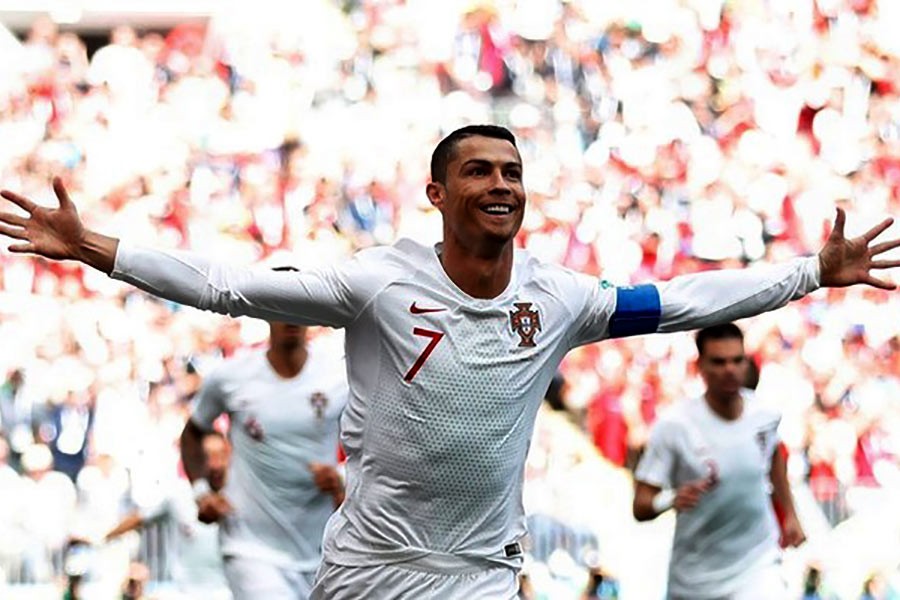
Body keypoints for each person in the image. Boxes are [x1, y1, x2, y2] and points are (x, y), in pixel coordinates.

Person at [1, 124, 898, 598]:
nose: (501, 184)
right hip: (369, 565)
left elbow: (681, 304)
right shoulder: (376, 285)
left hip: (478, 569)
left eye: (511, 171)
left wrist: (811, 273)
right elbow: (228, 284)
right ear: (437, 192)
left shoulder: (558, 298)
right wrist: (98, 249)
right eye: (478, 171)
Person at [180, 296, 348, 600]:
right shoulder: (230, 376)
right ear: (265, 313)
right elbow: (193, 432)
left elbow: (380, 442)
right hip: (250, 546)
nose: (292, 318)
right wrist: (201, 493)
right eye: (282, 307)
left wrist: (343, 476)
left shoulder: (339, 375)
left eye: (301, 308)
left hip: (321, 546)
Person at [632, 323, 806, 599]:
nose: (730, 370)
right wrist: (670, 499)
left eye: (737, 360)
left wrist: (791, 515)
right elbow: (641, 505)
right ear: (700, 365)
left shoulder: (765, 416)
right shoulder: (675, 425)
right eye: (719, 362)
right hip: (697, 579)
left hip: (758, 566)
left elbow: (773, 458)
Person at [98, 431, 231, 599]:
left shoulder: (244, 498)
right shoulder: (178, 494)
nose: (215, 464)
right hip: (184, 593)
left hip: (228, 593)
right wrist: (103, 537)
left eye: (220, 455)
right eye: (208, 456)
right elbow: (139, 518)